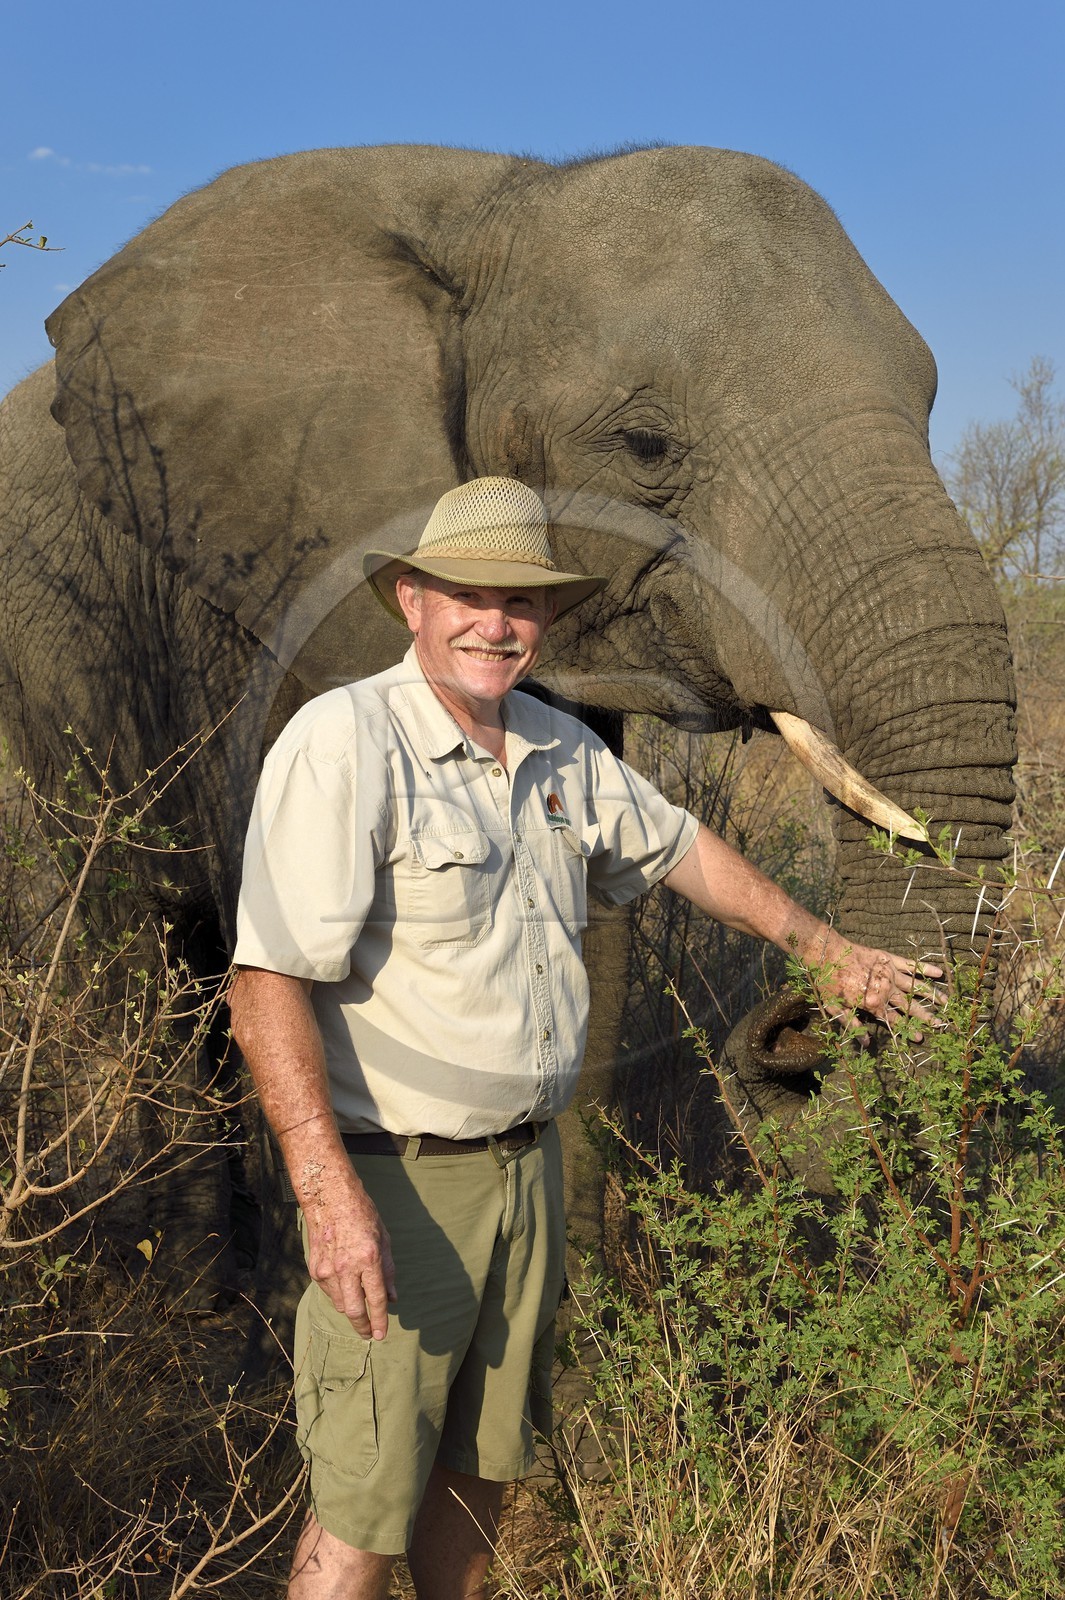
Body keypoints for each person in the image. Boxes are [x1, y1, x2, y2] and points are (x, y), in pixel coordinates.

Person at [228, 476, 941, 1599]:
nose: (495, 623)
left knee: (483, 1474)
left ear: (547, 619)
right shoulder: (345, 742)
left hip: (531, 1173)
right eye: (467, 594)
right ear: (409, 598)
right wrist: (325, 1192)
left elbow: (683, 849)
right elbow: (265, 982)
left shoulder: (559, 749)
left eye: (520, 602)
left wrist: (826, 949)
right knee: (362, 1505)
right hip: (397, 1186)